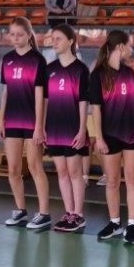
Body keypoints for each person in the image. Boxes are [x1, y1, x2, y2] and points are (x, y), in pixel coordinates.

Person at [90, 30, 134, 244]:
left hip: (132, 133)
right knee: (112, 180)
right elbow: (96, 109)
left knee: (132, 179)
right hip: (109, 135)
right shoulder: (98, 75)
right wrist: (99, 137)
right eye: (130, 45)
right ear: (121, 47)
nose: (132, 50)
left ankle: (131, 225)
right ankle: (114, 223)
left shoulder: (129, 73)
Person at [0, 17, 51, 230]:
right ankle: (20, 210)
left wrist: (39, 126)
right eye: (12, 34)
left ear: (29, 35)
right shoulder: (7, 59)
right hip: (12, 120)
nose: (15, 38)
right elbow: (5, 91)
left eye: (19, 34)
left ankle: (44, 213)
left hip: (31, 121)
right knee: (13, 169)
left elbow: (41, 96)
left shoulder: (37, 60)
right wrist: (1, 120)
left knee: (35, 167)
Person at [45, 24, 91, 232]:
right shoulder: (50, 69)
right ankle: (68, 211)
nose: (54, 42)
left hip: (73, 128)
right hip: (54, 128)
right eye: (53, 38)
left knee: (75, 172)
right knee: (61, 172)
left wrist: (82, 129)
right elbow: (45, 101)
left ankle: (78, 215)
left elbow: (83, 102)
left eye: (59, 39)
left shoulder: (80, 69)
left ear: (71, 41)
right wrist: (43, 127)